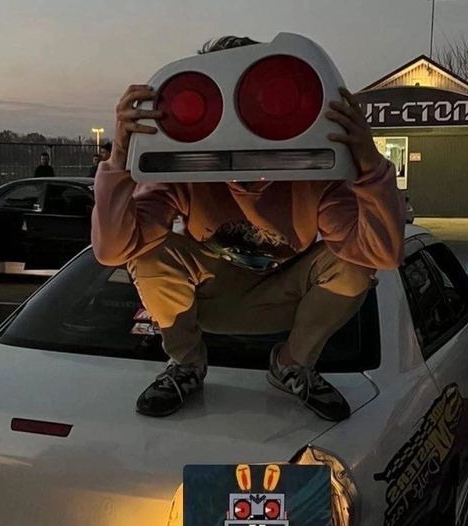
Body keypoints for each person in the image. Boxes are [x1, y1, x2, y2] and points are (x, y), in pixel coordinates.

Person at [92, 36, 405, 421]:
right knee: (149, 252)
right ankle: (186, 364)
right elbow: (114, 249)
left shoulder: (312, 181)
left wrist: (369, 165)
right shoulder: (184, 178)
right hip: (206, 298)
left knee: (354, 263)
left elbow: (380, 254)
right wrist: (120, 158)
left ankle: (293, 363)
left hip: (282, 302)